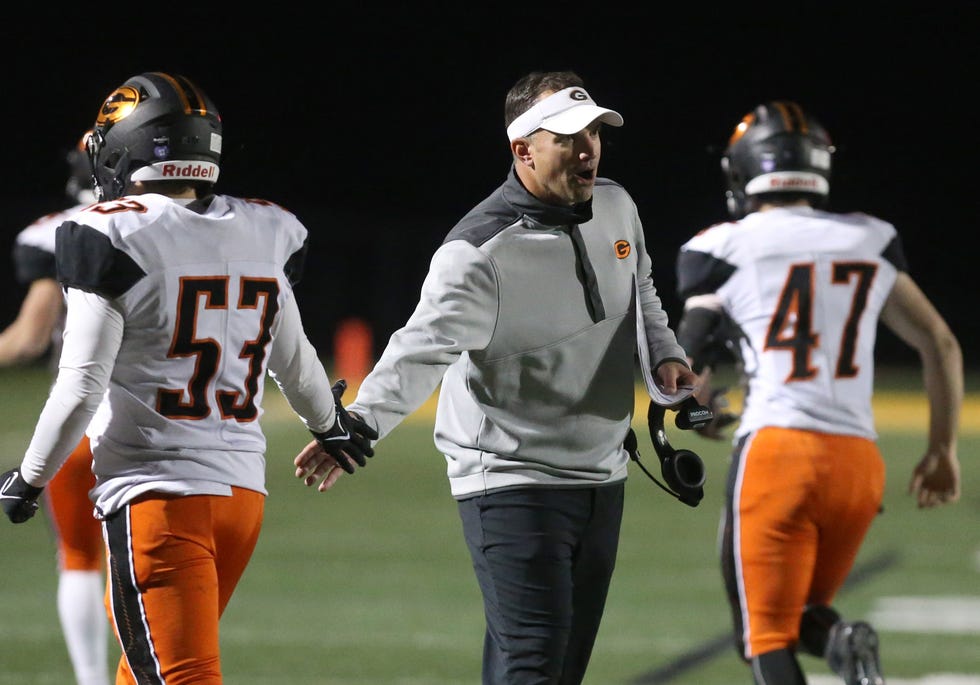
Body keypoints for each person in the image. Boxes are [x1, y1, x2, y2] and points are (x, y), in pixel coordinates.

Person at [293, 69, 700, 684]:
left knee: (554, 668)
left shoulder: (616, 205)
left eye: (593, 131)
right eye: (567, 136)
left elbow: (640, 291)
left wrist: (664, 355)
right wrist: (358, 424)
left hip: (602, 473)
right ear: (523, 150)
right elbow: (419, 347)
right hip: (512, 478)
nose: (587, 147)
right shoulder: (480, 251)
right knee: (534, 662)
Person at [0, 71, 376, 684]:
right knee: (142, 668)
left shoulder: (107, 230)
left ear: (126, 146)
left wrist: (30, 476)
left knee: (177, 677)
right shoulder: (264, 227)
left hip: (157, 496)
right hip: (241, 500)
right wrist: (329, 423)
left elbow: (81, 385)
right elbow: (294, 353)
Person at [673, 100, 963, 685]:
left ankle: (838, 640)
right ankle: (839, 640)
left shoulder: (721, 246)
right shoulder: (870, 238)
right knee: (800, 613)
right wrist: (942, 451)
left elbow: (686, 356)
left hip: (778, 453)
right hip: (857, 463)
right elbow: (941, 345)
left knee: (763, 636)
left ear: (744, 170)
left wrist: (697, 410)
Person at [0, 131, 111, 685]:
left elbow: (28, 338)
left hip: (79, 423)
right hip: (165, 425)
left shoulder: (57, 233)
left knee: (80, 558)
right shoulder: (177, 223)